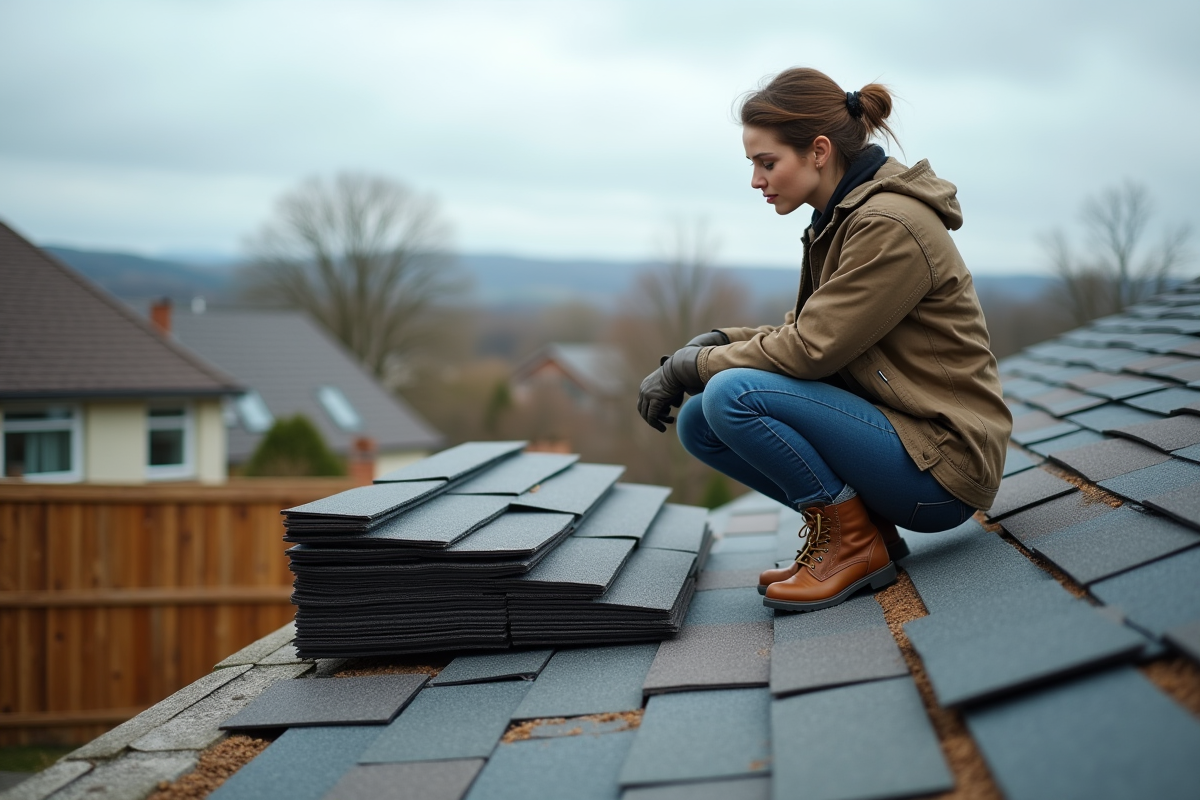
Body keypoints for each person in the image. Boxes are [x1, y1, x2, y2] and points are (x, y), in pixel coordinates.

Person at [636, 68, 1012, 612]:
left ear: (818, 151)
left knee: (729, 395)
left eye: (768, 163)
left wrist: (691, 367)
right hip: (904, 445)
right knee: (701, 422)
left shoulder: (889, 225)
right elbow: (804, 332)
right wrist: (715, 341)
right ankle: (863, 533)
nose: (757, 180)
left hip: (945, 467)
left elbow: (811, 351)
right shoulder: (841, 218)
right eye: (753, 166)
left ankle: (853, 546)